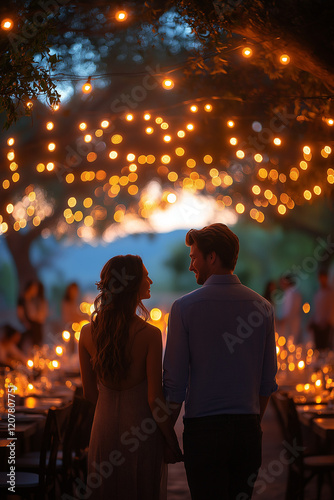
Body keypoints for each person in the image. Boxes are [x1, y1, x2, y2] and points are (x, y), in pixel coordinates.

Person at [163, 223, 278, 500]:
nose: (191, 265)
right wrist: (251, 425)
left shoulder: (184, 308)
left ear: (211, 257)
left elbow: (175, 386)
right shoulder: (262, 307)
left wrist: (166, 434)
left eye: (194, 257)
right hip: (247, 431)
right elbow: (266, 382)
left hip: (204, 434)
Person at [79, 255, 182, 500]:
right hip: (140, 432)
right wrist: (170, 439)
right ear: (131, 283)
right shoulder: (150, 335)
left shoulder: (86, 333)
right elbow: (155, 398)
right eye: (146, 276)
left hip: (102, 429)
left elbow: (89, 394)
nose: (151, 280)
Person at [17, 279, 48, 352]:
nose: (36, 291)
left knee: (37, 340)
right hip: (27, 325)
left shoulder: (31, 300)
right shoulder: (22, 299)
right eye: (34, 288)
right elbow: (20, 314)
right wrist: (25, 323)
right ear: (30, 288)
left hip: (33, 324)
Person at [308, 269, 334, 350]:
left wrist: (327, 321)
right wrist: (312, 321)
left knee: (325, 348)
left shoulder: (330, 293)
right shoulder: (317, 293)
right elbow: (315, 309)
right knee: (317, 348)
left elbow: (331, 309)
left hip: (326, 325)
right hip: (317, 325)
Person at [276, 273, 302, 344]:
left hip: (289, 323)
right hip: (293, 321)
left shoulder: (290, 293)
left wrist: (283, 319)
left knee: (289, 342)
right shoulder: (295, 292)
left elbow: (289, 309)